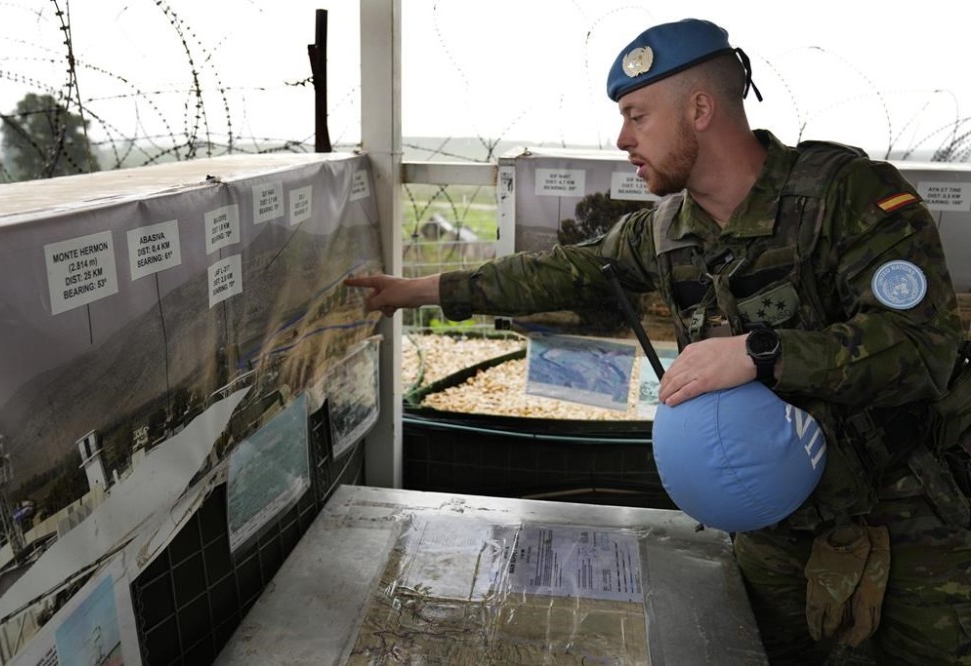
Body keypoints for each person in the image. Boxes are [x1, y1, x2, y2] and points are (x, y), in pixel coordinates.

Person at [346, 18, 970, 664]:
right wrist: (413, 292)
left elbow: (920, 349)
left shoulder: (848, 197)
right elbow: (558, 275)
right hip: (774, 523)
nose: (623, 139)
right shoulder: (667, 233)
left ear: (700, 108)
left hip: (907, 509)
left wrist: (760, 353)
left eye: (637, 115)